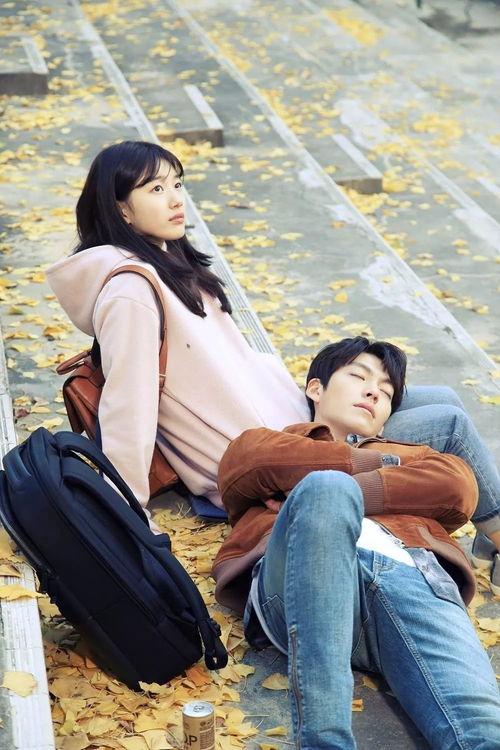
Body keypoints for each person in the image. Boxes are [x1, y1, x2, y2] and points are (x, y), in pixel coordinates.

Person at [46, 140, 500, 592]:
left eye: (177, 184)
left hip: (292, 417)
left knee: (442, 398)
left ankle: (489, 534)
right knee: (449, 425)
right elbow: (129, 404)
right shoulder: (130, 293)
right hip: (273, 453)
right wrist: (128, 510)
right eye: (156, 189)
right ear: (121, 209)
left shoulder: (165, 260)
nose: (176, 199)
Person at [212, 337, 500, 749]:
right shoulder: (266, 441)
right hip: (304, 580)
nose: (373, 392)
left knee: (484, 733)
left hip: (413, 575)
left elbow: (458, 486)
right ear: (316, 388)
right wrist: (379, 470)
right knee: (327, 491)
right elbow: (248, 464)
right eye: (358, 376)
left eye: (386, 391)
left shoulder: (417, 451)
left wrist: (352, 481)